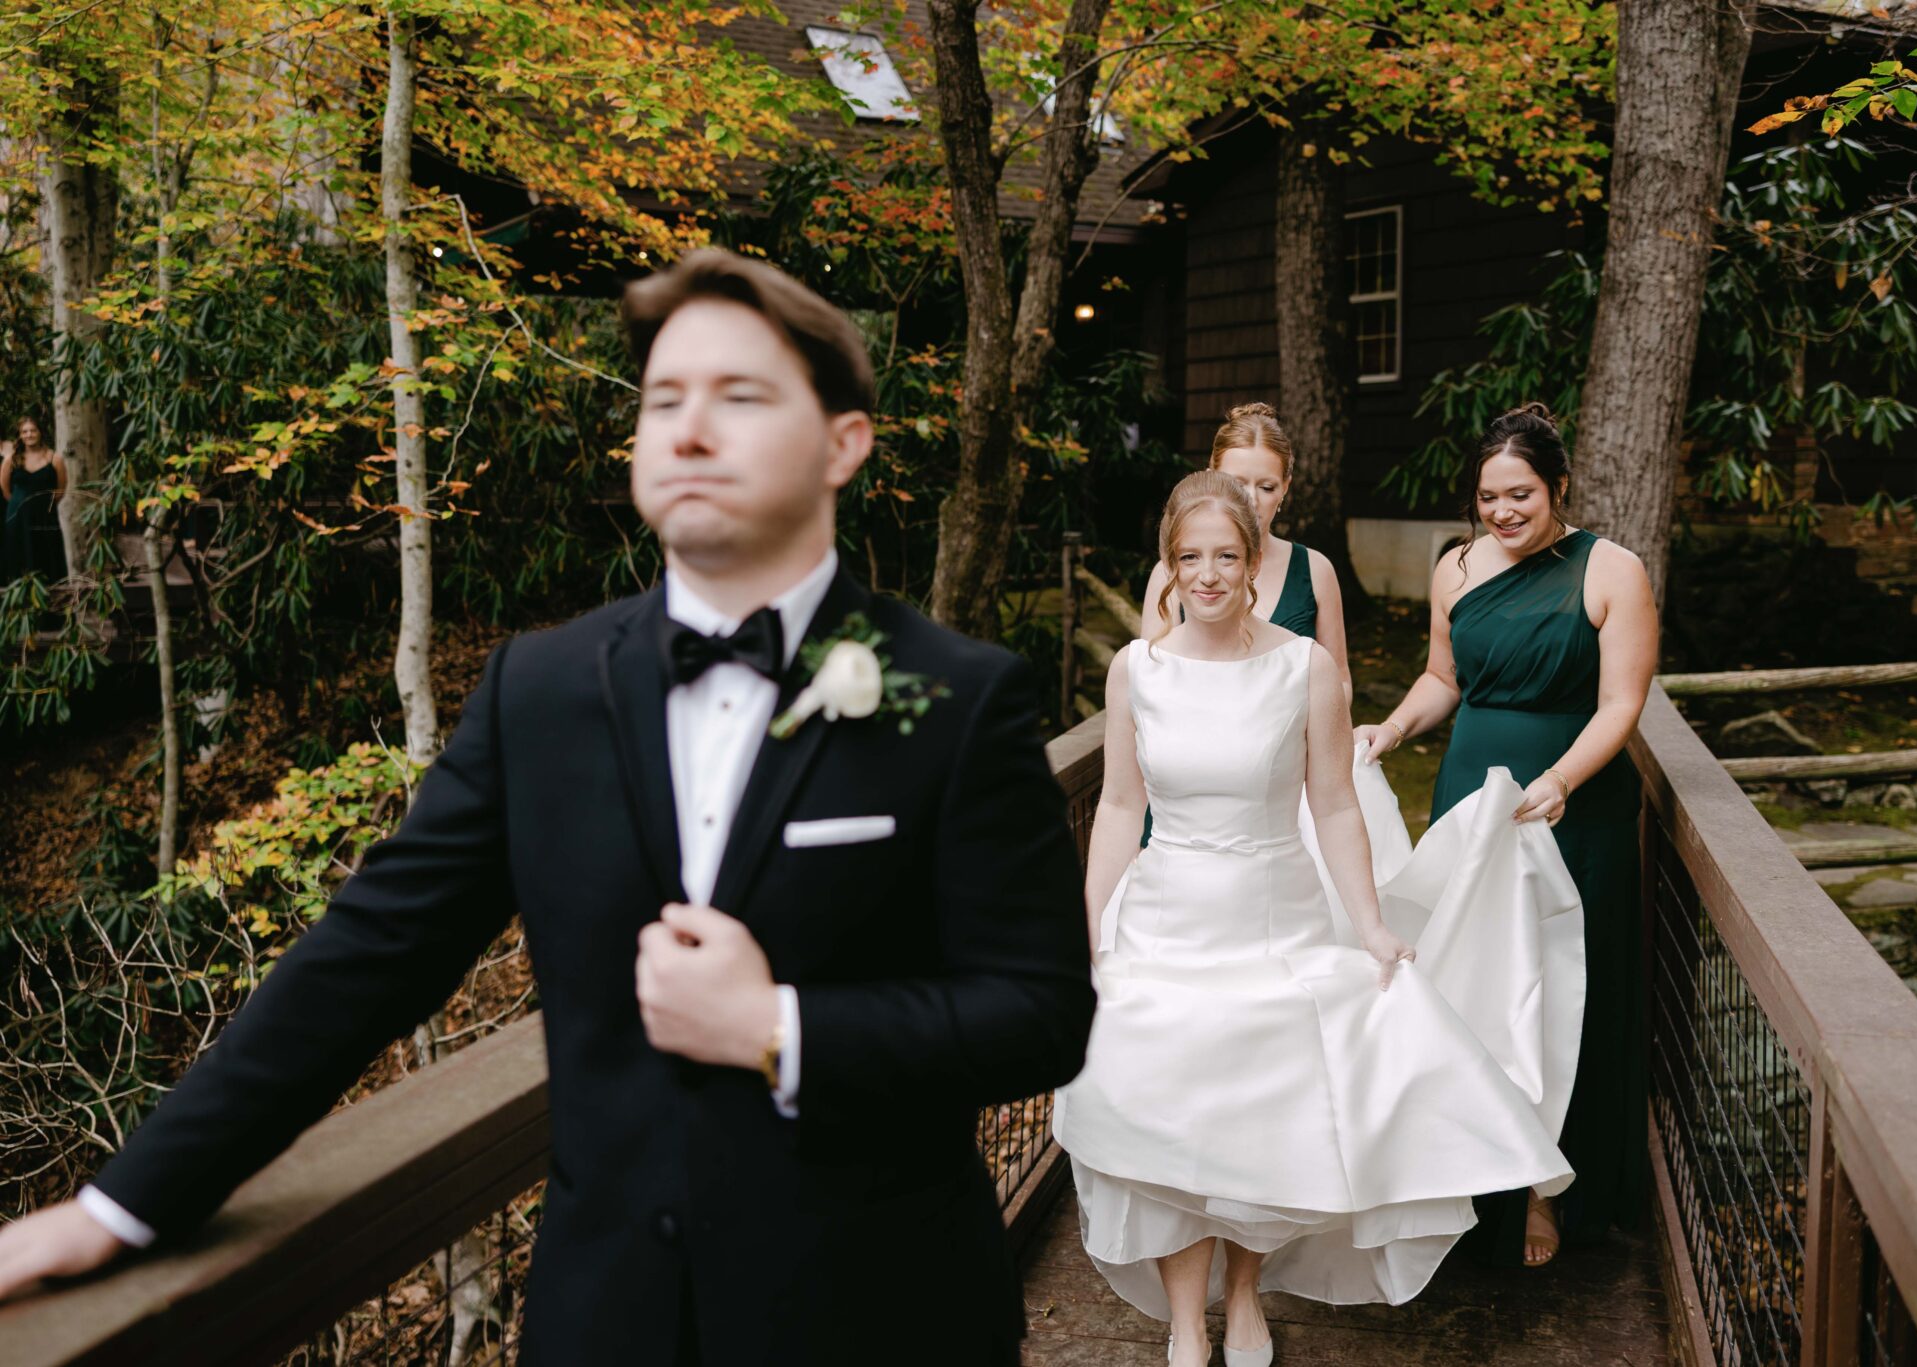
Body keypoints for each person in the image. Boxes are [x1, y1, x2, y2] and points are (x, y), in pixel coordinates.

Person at [0, 250, 1097, 1366]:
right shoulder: (542, 688)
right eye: (664, 399)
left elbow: (1040, 1014)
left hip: (888, 1319)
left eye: (741, 395)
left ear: (843, 443)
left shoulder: (960, 696)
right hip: (606, 1324)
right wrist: (119, 1206)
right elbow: (369, 954)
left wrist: (779, 1029)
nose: (689, 427)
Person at [1055, 470, 1581, 1367]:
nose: (1210, 574)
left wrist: (1372, 924)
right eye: (1192, 557)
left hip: (1275, 915)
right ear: (1169, 567)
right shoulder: (1135, 670)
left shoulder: (1305, 666)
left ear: (1255, 559)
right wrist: (1088, 926)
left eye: (1227, 555)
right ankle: (1187, 1319)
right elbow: (1115, 809)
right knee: (1162, 1110)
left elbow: (1335, 805)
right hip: (1166, 918)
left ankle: (1248, 1292)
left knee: (1267, 1112)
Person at [1356, 402, 1657, 1268]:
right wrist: (1391, 730)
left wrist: (1562, 777)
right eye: (1488, 496)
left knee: (1559, 993)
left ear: (1558, 486)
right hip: (1473, 803)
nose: (1502, 512)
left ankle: (1547, 1192)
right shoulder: (1454, 567)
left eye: (1520, 493)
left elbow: (1622, 704)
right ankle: (1466, 1182)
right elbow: (1443, 676)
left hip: (1575, 804)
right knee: (1471, 986)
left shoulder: (1611, 570)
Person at [1140, 402, 1348, 696]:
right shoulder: (1171, 574)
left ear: (1285, 487)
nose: (1250, 500)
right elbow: (1151, 677)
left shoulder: (1315, 570)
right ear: (1211, 475)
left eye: (1266, 487)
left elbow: (1339, 682)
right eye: (1236, 484)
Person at [2, 415, 67, 582]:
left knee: (47, 558)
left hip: (44, 518)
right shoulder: (11, 460)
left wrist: (42, 505)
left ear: (40, 432)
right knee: (18, 559)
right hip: (17, 519)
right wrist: (20, 504)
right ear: (20, 435)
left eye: (33, 430)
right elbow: (5, 489)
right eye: (25, 431)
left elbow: (60, 490)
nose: (29, 434)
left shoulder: (55, 459)